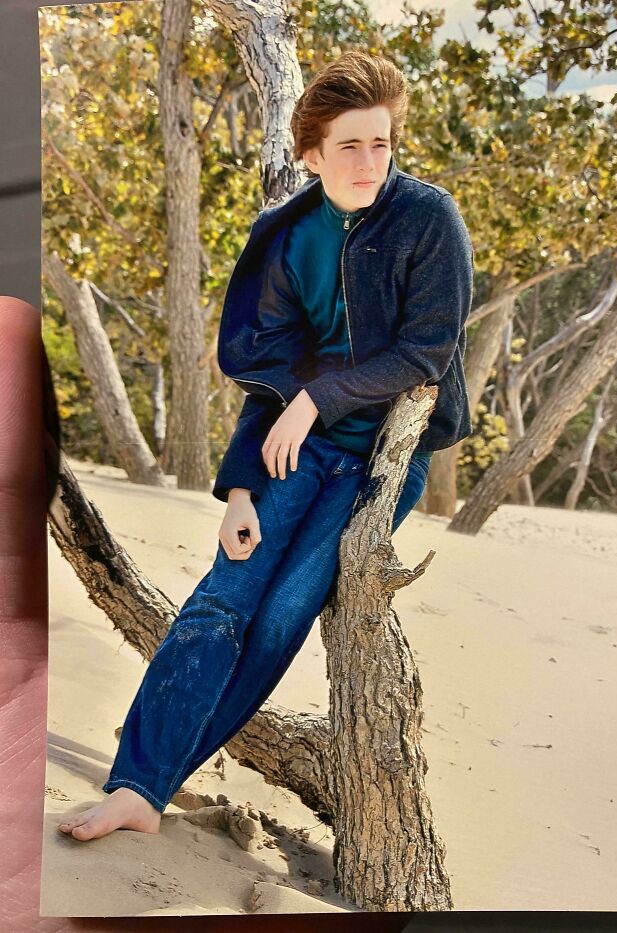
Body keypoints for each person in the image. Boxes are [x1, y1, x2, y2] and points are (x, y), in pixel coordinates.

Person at [51, 50, 475, 841]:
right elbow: (270, 374)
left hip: (383, 459)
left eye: (381, 143)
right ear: (310, 155)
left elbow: (425, 354)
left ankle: (158, 779)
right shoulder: (284, 238)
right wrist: (241, 487)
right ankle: (137, 787)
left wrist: (319, 398)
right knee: (222, 598)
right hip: (297, 449)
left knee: (281, 617)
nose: (368, 161)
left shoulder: (428, 219)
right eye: (349, 145)